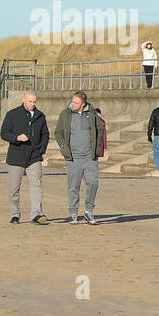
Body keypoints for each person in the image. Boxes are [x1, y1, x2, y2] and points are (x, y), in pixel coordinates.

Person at [54, 90, 104, 224]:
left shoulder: (92, 113)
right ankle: (74, 213)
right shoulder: (65, 114)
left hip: (90, 157)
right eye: (72, 101)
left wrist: (97, 147)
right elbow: (58, 132)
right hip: (73, 157)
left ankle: (89, 211)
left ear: (83, 104)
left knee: (93, 183)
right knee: (73, 186)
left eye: (76, 102)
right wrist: (64, 147)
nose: (73, 104)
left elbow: (100, 130)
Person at [0, 90, 50, 224]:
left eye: (34, 102)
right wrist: (16, 138)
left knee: (36, 186)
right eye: (30, 101)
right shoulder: (12, 114)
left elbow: (45, 134)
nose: (32, 104)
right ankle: (15, 214)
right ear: (24, 100)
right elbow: (4, 133)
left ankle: (37, 214)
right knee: (13, 189)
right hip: (16, 157)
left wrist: (41, 150)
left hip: (34, 157)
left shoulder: (40, 116)